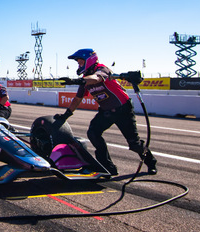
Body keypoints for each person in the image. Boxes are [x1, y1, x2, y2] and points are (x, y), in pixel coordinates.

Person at [57, 48, 157, 176]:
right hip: (106, 112)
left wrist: (79, 81)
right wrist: (66, 115)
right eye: (78, 63)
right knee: (93, 133)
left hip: (123, 110)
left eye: (80, 62)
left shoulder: (102, 69)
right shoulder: (85, 79)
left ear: (89, 60)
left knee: (134, 144)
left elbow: (97, 78)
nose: (78, 65)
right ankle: (108, 167)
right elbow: (78, 98)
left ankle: (151, 162)